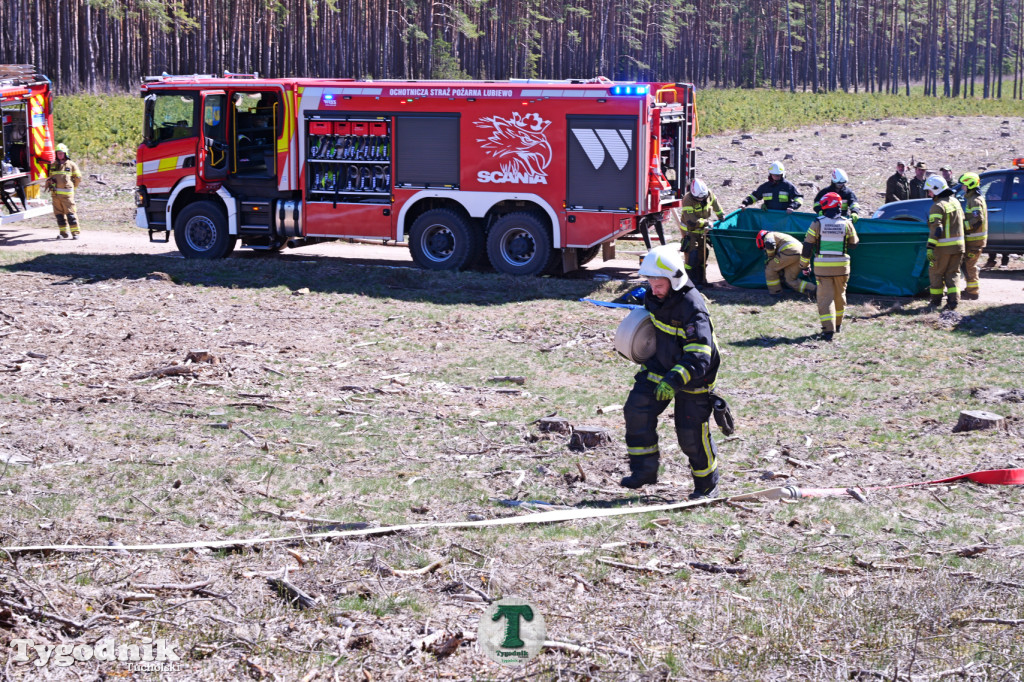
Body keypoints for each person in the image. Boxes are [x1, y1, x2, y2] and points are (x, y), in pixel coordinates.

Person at [621, 245, 722, 500]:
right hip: (661, 365)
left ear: (674, 281)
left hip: (693, 377)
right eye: (650, 283)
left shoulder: (692, 308)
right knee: (637, 410)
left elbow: (699, 357)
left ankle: (706, 486)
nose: (654, 290)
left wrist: (673, 381)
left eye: (659, 284)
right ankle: (644, 471)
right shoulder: (655, 297)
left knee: (690, 435)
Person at [800, 192, 858, 341]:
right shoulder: (847, 222)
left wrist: (804, 265)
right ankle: (838, 325)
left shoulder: (817, 223)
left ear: (825, 205)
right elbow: (854, 244)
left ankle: (828, 330)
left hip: (823, 269)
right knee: (840, 296)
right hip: (842, 268)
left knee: (825, 299)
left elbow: (807, 246)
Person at [923, 175, 965, 310]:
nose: (929, 193)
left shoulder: (937, 206)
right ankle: (953, 302)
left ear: (936, 190)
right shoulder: (955, 202)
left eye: (929, 190)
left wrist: (930, 247)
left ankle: (935, 301)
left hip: (942, 249)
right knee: (953, 273)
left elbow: (937, 229)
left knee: (936, 272)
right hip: (958, 247)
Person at [678, 178, 725, 286]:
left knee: (703, 254)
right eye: (698, 198)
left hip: (703, 231)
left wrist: (721, 215)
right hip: (690, 231)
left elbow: (716, 206)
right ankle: (690, 282)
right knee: (692, 255)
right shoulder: (688, 199)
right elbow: (691, 221)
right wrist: (706, 222)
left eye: (702, 197)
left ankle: (702, 280)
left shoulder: (709, 194)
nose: (700, 199)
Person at [757, 229, 816, 296]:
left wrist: (770, 257)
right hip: (801, 255)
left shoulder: (768, 235)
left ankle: (776, 292)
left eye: (764, 248)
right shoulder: (780, 236)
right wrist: (806, 266)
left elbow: (770, 243)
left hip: (789, 252)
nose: (765, 249)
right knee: (790, 280)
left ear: (761, 240)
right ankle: (814, 290)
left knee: (770, 268)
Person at [45, 143, 83, 239]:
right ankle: (63, 233)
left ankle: (76, 233)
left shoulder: (71, 165)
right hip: (55, 195)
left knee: (71, 214)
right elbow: (50, 177)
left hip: (67, 196)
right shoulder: (53, 165)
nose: (60, 155)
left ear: (65, 153)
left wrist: (73, 188)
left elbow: (78, 178)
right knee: (59, 215)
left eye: (62, 153)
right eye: (58, 153)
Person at [959, 173, 986, 300]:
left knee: (969, 265)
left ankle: (973, 292)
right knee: (967, 264)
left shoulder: (975, 200)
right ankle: (970, 289)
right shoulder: (971, 198)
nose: (963, 187)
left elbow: (977, 220)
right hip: (972, 239)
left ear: (970, 184)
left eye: (964, 185)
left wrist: (963, 226)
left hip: (975, 240)